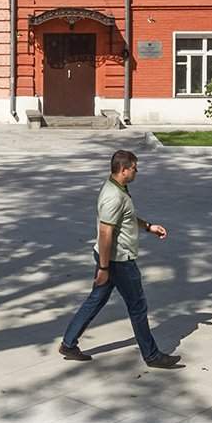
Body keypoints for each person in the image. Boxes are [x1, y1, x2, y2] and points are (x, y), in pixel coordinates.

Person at [58, 149, 180, 368]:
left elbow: (127, 218)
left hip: (113, 259)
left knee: (97, 299)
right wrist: (104, 268)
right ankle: (152, 356)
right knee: (137, 306)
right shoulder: (113, 196)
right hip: (118, 260)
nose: (137, 171)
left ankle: (68, 343)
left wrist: (148, 227)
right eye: (134, 168)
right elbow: (106, 233)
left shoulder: (118, 187)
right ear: (124, 170)